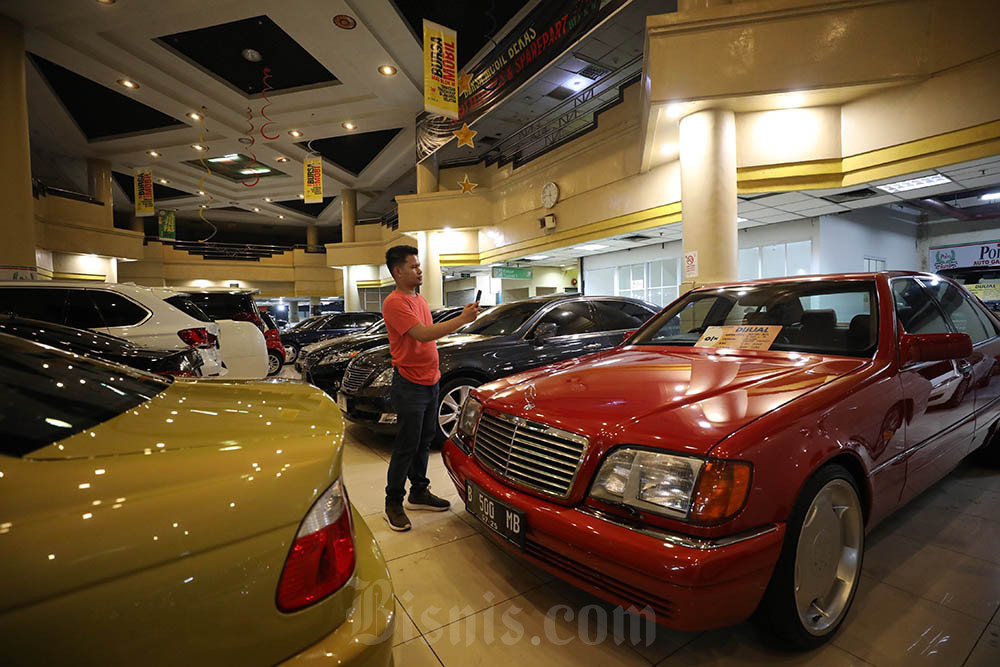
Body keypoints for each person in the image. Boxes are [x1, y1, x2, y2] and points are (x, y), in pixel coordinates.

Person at [381, 245, 480, 531]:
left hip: (430, 381)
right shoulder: (395, 302)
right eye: (413, 266)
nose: (419, 270)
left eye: (418, 265)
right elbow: (422, 335)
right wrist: (461, 320)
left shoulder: (419, 298)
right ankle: (393, 502)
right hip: (410, 383)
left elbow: (429, 335)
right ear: (398, 271)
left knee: (424, 441)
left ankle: (419, 491)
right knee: (406, 445)